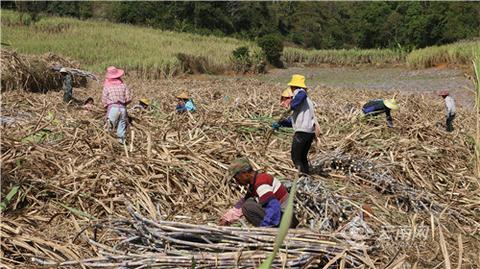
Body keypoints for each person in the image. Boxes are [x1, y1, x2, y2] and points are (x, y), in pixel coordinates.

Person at [219, 157, 298, 228]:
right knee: (248, 202)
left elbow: (274, 206)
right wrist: (227, 218)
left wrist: (265, 227)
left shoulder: (261, 183)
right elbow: (242, 203)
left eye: (237, 178)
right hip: (283, 217)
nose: (237, 181)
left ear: (244, 173)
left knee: (248, 207)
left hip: (287, 219)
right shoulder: (254, 184)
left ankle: (272, 231)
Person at [288, 74, 319, 175]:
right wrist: (281, 123)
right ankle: (306, 175)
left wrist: (292, 104)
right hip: (309, 132)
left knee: (295, 157)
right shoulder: (305, 101)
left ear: (294, 86)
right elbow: (296, 119)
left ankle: (301, 176)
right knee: (302, 157)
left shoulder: (300, 93)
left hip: (303, 132)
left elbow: (301, 94)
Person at [101, 66, 132, 144]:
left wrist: (106, 107)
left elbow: (104, 100)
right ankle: (122, 144)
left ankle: (108, 144)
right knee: (121, 128)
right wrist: (123, 104)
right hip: (122, 109)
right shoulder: (123, 85)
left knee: (109, 127)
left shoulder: (107, 86)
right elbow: (128, 99)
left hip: (113, 108)